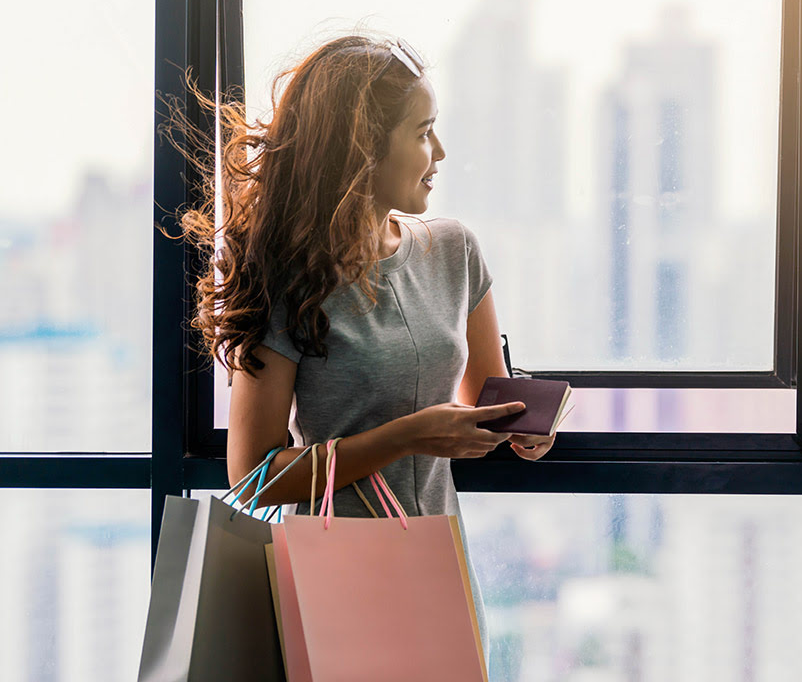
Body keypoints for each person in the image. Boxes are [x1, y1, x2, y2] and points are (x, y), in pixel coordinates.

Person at [178, 33, 555, 666]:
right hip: (333, 574)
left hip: (439, 564)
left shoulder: (454, 251)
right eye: (421, 133)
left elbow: (491, 398)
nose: (439, 152)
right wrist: (406, 437)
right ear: (361, 149)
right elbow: (251, 476)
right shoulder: (287, 279)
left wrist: (528, 428)